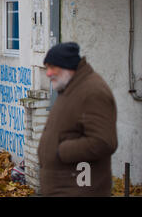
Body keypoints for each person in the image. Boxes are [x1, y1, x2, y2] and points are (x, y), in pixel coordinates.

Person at [37, 42, 118, 196]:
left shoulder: (93, 92)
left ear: (67, 67)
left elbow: (104, 141)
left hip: (78, 189)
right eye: (47, 68)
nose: (48, 73)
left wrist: (61, 151)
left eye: (53, 67)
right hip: (64, 187)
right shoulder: (71, 87)